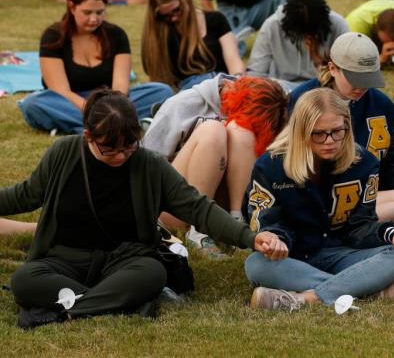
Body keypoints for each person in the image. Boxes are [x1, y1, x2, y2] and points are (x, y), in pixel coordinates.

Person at [1, 90, 282, 329]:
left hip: (123, 260)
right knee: (25, 281)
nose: (121, 156)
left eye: (129, 147)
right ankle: (121, 303)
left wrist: (249, 238)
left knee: (151, 273)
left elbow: (197, 208)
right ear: (88, 136)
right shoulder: (63, 153)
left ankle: (72, 309)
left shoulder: (149, 165)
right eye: (110, 150)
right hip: (64, 259)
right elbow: (26, 195)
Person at [244, 88, 394, 311]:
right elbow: (266, 225)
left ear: (348, 127)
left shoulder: (364, 164)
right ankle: (366, 287)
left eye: (337, 131)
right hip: (293, 257)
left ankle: (305, 298)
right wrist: (274, 240)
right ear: (300, 131)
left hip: (342, 253)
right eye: (319, 133)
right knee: (256, 265)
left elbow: (360, 228)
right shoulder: (270, 166)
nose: (329, 141)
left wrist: (392, 233)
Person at [142, 75, 288, 254]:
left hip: (224, 208)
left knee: (241, 131)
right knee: (213, 130)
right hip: (178, 206)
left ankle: (240, 222)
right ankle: (199, 232)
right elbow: (145, 168)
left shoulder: (271, 101)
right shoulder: (182, 105)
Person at [18, 0, 172, 134]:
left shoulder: (116, 34)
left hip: (111, 100)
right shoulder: (54, 36)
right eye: (87, 12)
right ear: (72, 6)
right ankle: (118, 124)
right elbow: (61, 90)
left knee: (161, 91)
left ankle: (91, 127)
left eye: (99, 12)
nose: (93, 19)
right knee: (33, 103)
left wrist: (110, 107)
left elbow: (120, 86)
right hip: (71, 102)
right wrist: (95, 110)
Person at [290, 32, 394, 221]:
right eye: (355, 78)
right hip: (316, 202)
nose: (362, 87)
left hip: (369, 196)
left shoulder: (383, 106)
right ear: (333, 68)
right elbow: (284, 161)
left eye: (368, 78)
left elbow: (392, 161)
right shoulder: (301, 101)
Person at [141, 0, 244, 91]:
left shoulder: (215, 20)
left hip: (222, 85)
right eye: (166, 16)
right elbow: (158, 80)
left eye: (177, 10)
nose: (173, 18)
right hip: (189, 92)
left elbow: (233, 59)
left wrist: (237, 81)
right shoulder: (160, 34)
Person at [247, 0, 349, 91]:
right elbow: (256, 73)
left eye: (313, 34)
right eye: (302, 35)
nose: (308, 39)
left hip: (323, 90)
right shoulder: (272, 25)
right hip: (282, 88)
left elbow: (347, 73)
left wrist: (317, 59)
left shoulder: (338, 25)